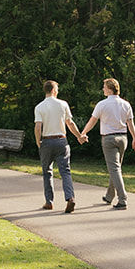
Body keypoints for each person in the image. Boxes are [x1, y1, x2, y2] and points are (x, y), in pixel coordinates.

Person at [80, 77, 135, 209]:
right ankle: (109, 196)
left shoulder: (102, 104)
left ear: (110, 89)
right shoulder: (126, 104)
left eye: (104, 87)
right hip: (123, 138)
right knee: (116, 168)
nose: (103, 89)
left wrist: (83, 133)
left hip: (109, 139)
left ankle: (122, 199)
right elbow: (131, 123)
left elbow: (92, 121)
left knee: (114, 169)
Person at [33, 79, 83, 213]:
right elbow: (70, 123)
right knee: (65, 171)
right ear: (54, 90)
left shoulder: (39, 107)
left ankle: (49, 202)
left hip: (47, 141)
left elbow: (38, 127)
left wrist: (39, 142)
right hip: (61, 140)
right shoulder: (63, 104)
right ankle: (70, 198)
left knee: (47, 172)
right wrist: (79, 136)